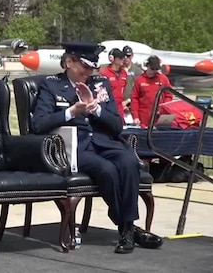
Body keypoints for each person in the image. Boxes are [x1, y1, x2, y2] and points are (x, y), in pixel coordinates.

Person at [31, 42, 163, 254]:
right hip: (76, 147)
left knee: (129, 162)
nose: (89, 72)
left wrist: (97, 110)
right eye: (84, 66)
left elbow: (117, 124)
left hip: (105, 141)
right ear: (68, 62)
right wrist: (72, 112)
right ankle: (128, 229)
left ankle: (127, 228)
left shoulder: (100, 84)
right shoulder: (52, 85)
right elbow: (37, 124)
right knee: (106, 170)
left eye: (92, 67)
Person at [129, 56, 173, 128]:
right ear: (147, 66)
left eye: (156, 69)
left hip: (159, 116)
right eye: (152, 69)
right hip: (143, 117)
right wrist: (135, 117)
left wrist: (163, 108)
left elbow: (169, 95)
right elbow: (134, 99)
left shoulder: (163, 79)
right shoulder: (139, 80)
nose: (154, 71)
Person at [100, 48, 128, 123]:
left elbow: (124, 89)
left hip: (120, 108)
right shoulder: (104, 73)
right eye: (120, 58)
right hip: (109, 107)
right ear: (112, 59)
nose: (123, 60)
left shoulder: (124, 73)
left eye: (123, 58)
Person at [121, 45, 143, 119]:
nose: (126, 58)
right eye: (124, 56)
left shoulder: (137, 71)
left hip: (132, 104)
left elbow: (139, 90)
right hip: (119, 104)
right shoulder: (118, 69)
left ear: (132, 56)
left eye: (128, 56)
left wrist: (128, 102)